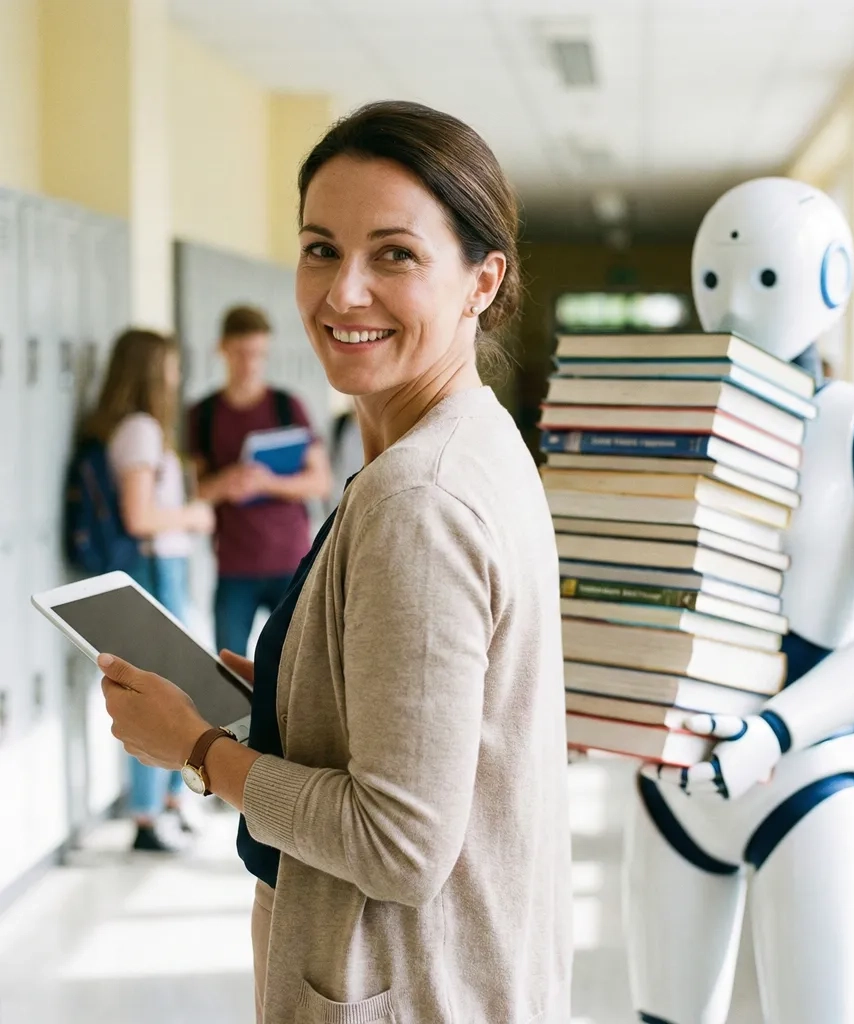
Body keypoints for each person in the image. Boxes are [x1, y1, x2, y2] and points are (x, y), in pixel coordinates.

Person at [97, 100, 572, 1024]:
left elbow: (397, 841)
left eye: (394, 253)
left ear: (483, 280)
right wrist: (286, 692)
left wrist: (196, 750)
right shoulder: (471, 441)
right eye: (321, 248)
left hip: (414, 989)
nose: (342, 292)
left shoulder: (419, 497)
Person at [79, 328, 215, 852]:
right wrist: (196, 515)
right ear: (150, 371)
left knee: (172, 688)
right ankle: (145, 816)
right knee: (157, 693)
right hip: (157, 571)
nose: (177, 377)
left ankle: (167, 803)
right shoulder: (139, 430)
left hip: (165, 571)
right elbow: (140, 516)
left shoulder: (137, 429)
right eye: (170, 366)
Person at [187, 306, 332, 659]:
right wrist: (227, 482)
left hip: (290, 563)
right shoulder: (203, 415)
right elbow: (194, 493)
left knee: (295, 667)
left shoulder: (287, 406)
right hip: (234, 566)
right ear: (222, 349)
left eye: (259, 354)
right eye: (241, 353)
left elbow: (321, 481)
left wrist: (266, 483)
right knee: (227, 664)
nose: (250, 363)